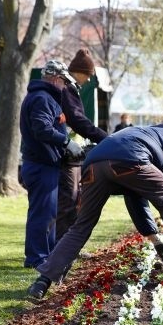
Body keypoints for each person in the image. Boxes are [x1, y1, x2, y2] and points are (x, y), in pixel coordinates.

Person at [27, 125, 163, 299]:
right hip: (130, 159)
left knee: (81, 226)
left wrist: (156, 241)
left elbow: (135, 199)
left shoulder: (145, 134)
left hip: (93, 165)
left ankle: (42, 281)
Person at [20, 60, 83, 269]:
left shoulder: (43, 97)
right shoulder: (42, 98)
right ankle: (37, 258)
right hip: (41, 165)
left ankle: (45, 255)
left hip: (44, 164)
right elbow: (42, 129)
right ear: (56, 78)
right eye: (64, 81)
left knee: (48, 214)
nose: (65, 86)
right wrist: (66, 142)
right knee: (42, 214)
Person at [57, 49, 108, 241]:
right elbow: (78, 120)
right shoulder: (68, 89)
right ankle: (62, 247)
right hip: (68, 157)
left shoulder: (70, 88)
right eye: (88, 75)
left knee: (73, 201)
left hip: (73, 156)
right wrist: (104, 137)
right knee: (68, 203)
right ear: (79, 71)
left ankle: (66, 246)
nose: (88, 80)